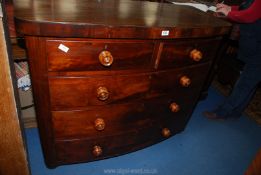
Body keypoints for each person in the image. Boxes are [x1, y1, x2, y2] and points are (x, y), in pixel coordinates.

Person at [204, 0, 261, 119]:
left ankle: (223, 112)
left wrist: (228, 13)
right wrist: (229, 8)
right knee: (249, 82)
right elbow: (247, 8)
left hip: (258, 49)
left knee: (245, 83)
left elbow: (250, 15)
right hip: (254, 45)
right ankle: (236, 112)